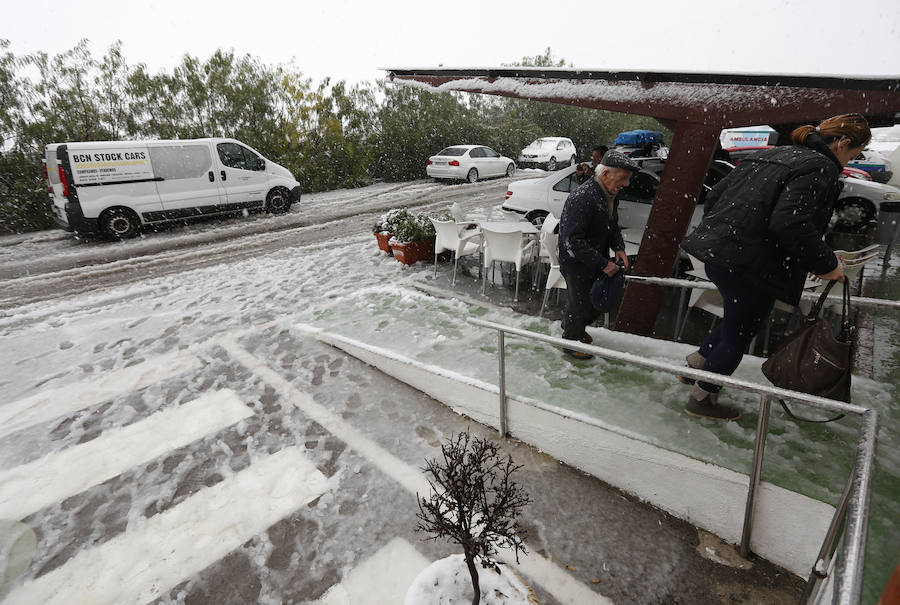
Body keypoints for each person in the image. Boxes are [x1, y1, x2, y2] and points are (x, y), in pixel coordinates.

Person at [679, 113, 871, 420]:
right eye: (855, 153)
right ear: (845, 143)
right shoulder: (820, 167)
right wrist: (825, 263)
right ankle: (702, 399)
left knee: (736, 320)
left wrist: (726, 237)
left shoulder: (774, 154)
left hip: (719, 256)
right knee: (741, 331)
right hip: (752, 266)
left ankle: (697, 364)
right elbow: (790, 222)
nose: (852, 159)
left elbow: (715, 197)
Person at [557, 150, 640, 359]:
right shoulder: (583, 197)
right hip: (575, 261)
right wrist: (603, 264)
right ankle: (571, 341)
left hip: (594, 258)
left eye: (627, 178)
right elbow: (572, 241)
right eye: (622, 178)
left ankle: (571, 326)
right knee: (581, 303)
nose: (626, 184)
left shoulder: (610, 194)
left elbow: (612, 225)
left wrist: (619, 247)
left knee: (592, 302)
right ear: (605, 175)